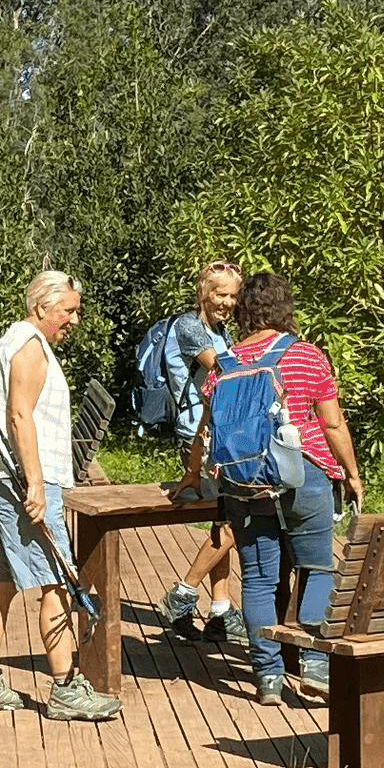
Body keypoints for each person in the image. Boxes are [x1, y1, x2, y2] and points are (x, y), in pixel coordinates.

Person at [0, 270, 123, 722]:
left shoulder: (12, 341)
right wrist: (35, 483)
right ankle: (66, 690)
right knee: (56, 580)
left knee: (1, 582)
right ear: (41, 307)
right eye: (68, 310)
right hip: (22, 483)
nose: (74, 319)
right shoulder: (30, 346)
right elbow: (20, 415)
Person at [210, 271, 364, 706]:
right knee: (316, 569)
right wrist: (352, 474)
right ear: (285, 308)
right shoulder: (305, 355)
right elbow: (332, 423)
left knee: (258, 580)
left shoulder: (225, 361)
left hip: (244, 483)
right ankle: (314, 665)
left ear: (242, 312)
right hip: (305, 475)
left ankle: (268, 677)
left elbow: (211, 425)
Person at [136, 260, 247, 645]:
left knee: (223, 520)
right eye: (220, 294)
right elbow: (224, 371)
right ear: (203, 291)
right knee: (233, 522)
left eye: (233, 296)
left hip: (216, 434)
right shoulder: (189, 327)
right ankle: (182, 594)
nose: (227, 302)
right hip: (199, 436)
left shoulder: (218, 329)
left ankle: (220, 611)